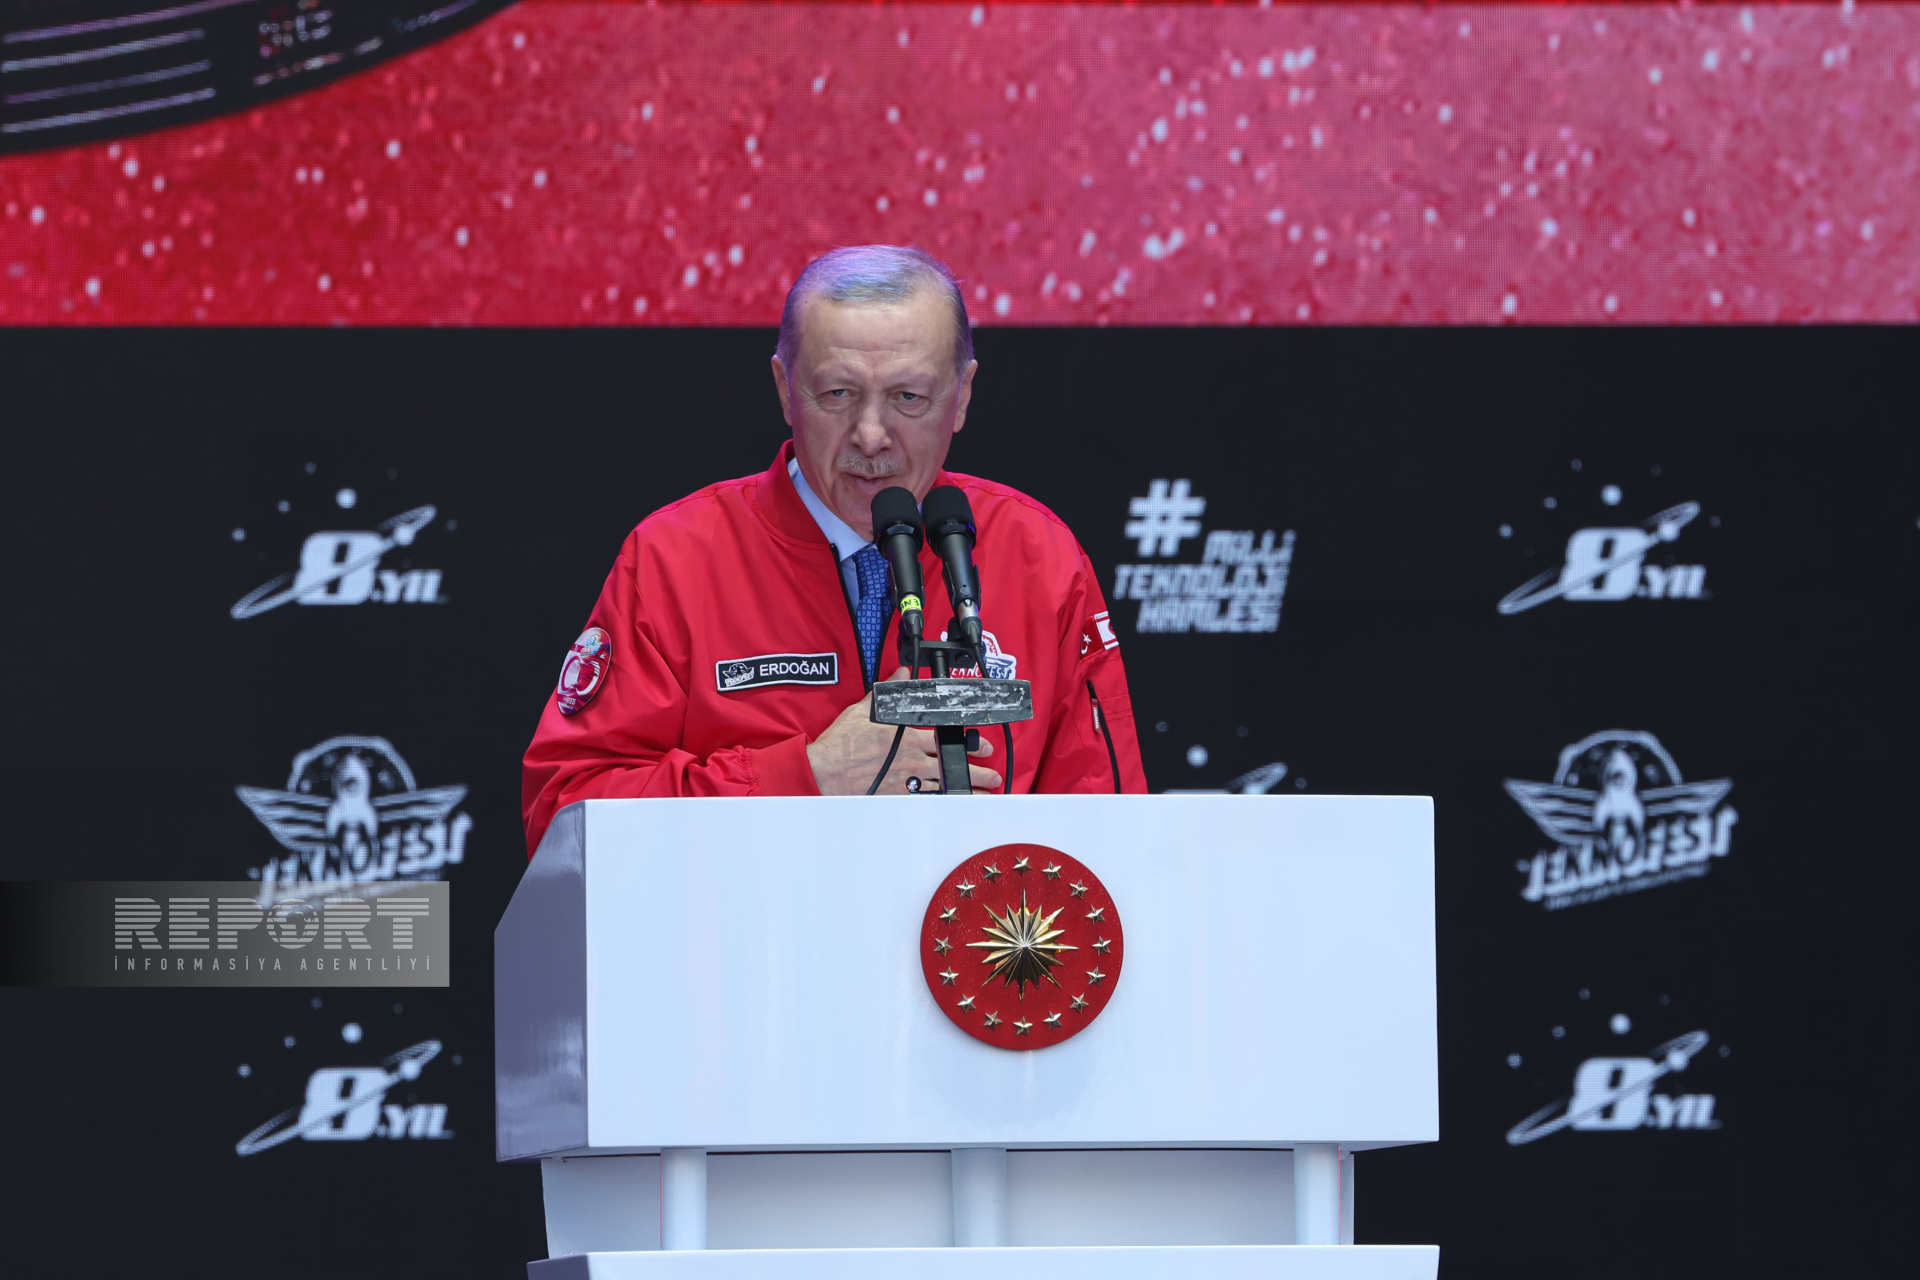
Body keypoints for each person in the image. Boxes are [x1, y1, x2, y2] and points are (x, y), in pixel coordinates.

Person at [521, 244, 1147, 855]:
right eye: (838, 394)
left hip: (974, 925)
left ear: (962, 396)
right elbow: (563, 820)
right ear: (784, 388)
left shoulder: (1039, 555)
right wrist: (807, 777)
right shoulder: (675, 559)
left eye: (908, 397)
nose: (870, 436)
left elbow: (1114, 840)